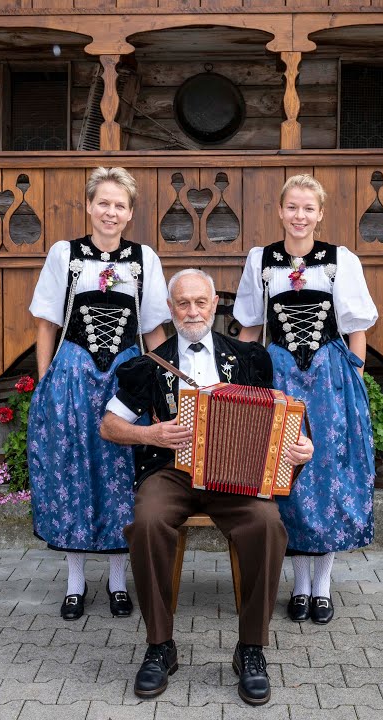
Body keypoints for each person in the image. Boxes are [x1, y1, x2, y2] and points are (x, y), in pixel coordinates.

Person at [100, 269, 315, 706]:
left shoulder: (251, 358)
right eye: (183, 303)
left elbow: (277, 415)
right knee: (147, 521)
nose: (193, 311)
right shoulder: (146, 365)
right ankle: (161, 646)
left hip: (236, 477)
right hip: (172, 473)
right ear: (170, 309)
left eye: (200, 302)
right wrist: (150, 436)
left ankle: (251, 649)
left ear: (215, 304)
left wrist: (299, 446)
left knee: (267, 523)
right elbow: (109, 425)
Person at [233, 174, 379, 625]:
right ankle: (298, 584)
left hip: (330, 378)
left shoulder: (340, 260)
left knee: (330, 473)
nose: (299, 216)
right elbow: (250, 328)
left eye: (307, 209)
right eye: (291, 207)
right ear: (280, 211)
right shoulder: (262, 260)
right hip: (280, 376)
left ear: (320, 214)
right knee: (288, 474)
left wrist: (352, 375)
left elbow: (357, 327)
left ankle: (324, 584)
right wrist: (243, 381)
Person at [27, 167, 170, 621]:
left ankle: (116, 579)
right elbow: (46, 323)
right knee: (73, 470)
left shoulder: (143, 259)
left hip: (125, 378)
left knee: (121, 472)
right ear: (89, 206)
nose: (111, 212)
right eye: (103, 202)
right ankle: (74, 581)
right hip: (72, 375)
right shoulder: (64, 254)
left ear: (130, 213)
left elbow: (154, 328)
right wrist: (46, 380)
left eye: (120, 205)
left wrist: (165, 387)